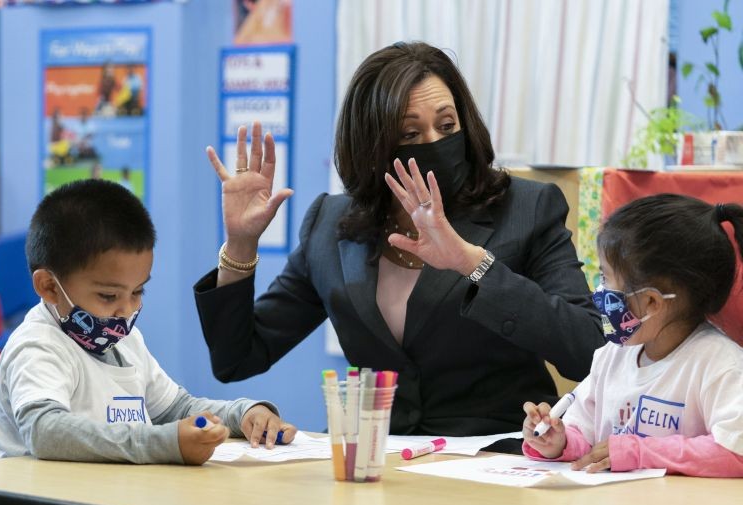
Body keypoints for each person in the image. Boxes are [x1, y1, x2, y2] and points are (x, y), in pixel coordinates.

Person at [195, 41, 604, 442]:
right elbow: (237, 358)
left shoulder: (526, 208)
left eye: (446, 127)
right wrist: (241, 246)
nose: (433, 143)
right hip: (374, 457)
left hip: (494, 457)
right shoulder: (329, 222)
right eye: (410, 132)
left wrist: (472, 262)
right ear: (372, 146)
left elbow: (588, 349)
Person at [0, 179, 296, 505]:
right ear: (49, 286)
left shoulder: (123, 341)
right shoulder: (38, 345)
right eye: (107, 296)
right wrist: (166, 443)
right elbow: (46, 431)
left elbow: (175, 409)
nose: (126, 310)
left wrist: (242, 414)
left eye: (137, 291)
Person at [522, 195, 743, 476]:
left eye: (606, 278)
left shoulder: (721, 364)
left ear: (652, 301)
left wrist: (640, 453)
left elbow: (735, 451)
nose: (598, 291)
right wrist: (557, 440)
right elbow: (586, 436)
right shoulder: (612, 355)